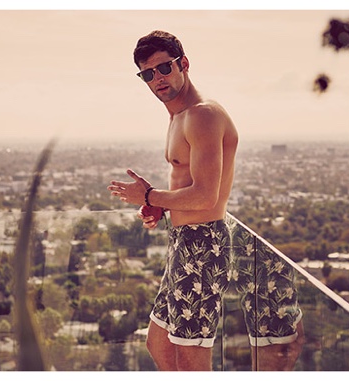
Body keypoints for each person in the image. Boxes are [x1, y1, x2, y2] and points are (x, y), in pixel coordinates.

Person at [108, 30, 238, 371]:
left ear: (184, 63)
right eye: (147, 74)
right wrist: (159, 205)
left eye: (163, 68)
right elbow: (189, 187)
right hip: (183, 243)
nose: (157, 79)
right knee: (160, 345)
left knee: (192, 359)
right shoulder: (178, 117)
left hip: (203, 245)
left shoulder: (203, 115)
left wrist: (150, 195)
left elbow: (206, 195)